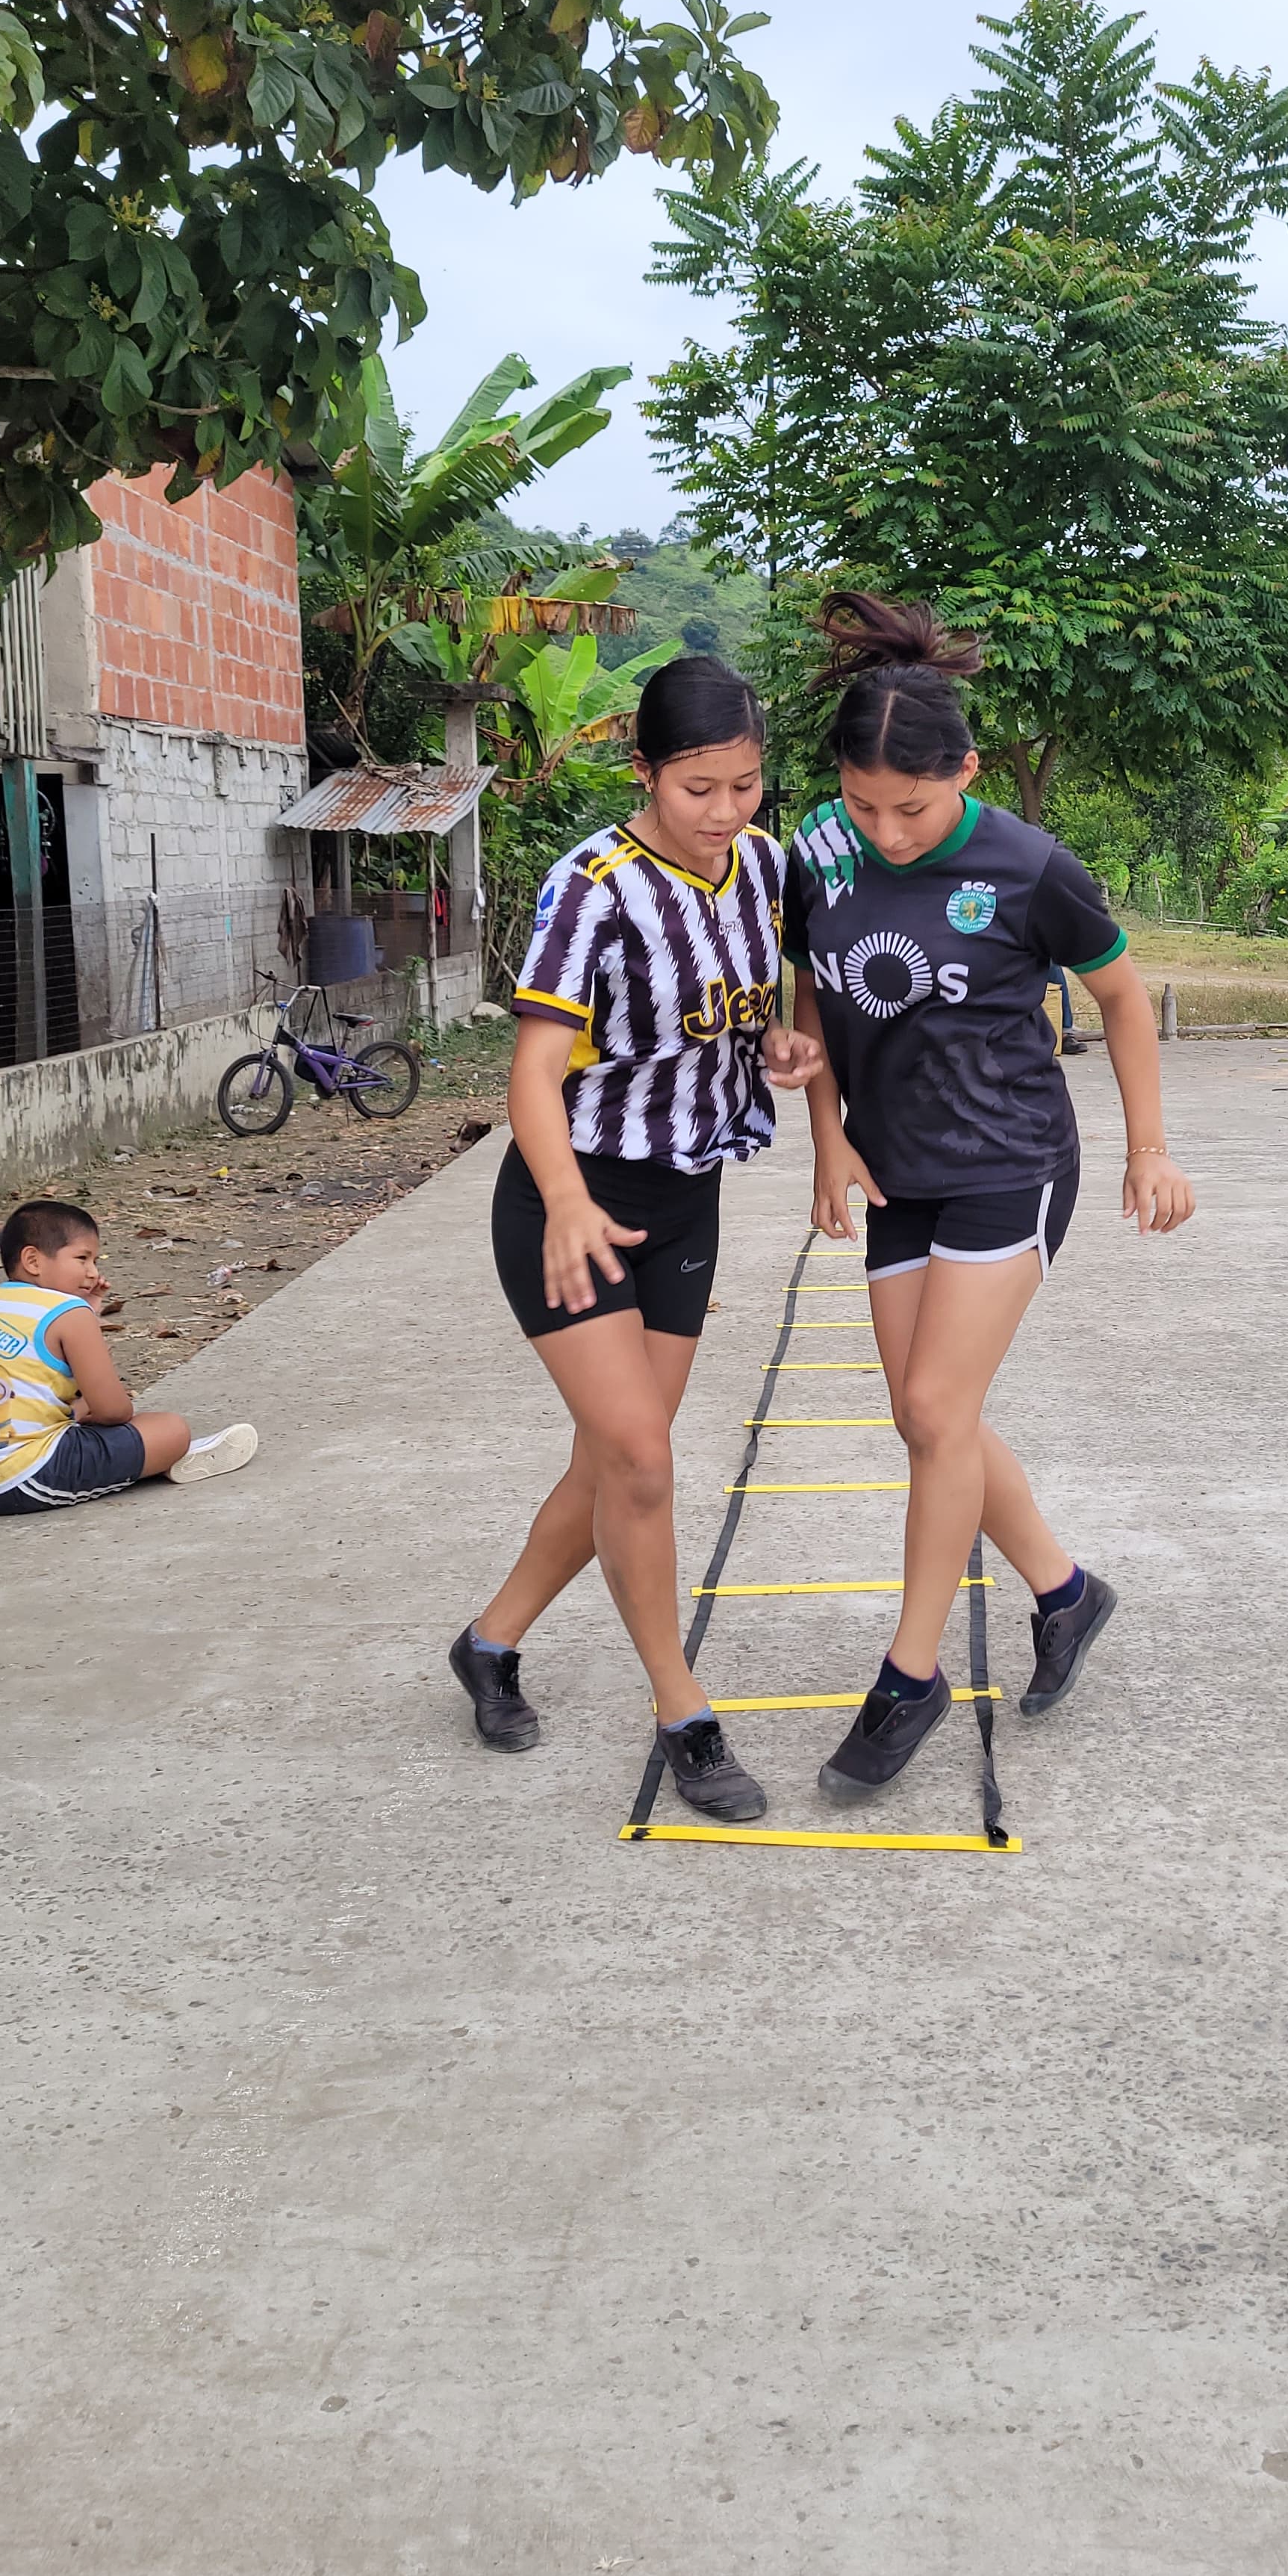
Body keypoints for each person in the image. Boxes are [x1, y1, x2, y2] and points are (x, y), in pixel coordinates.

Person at [783, 594, 1195, 1801]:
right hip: (892, 1166)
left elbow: (1122, 998)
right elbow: (810, 993)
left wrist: (1148, 1149)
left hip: (1010, 1161)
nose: (886, 831)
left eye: (910, 809)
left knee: (933, 1405)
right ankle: (1066, 1594)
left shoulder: (1029, 867)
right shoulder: (820, 850)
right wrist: (825, 1139)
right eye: (863, 805)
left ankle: (911, 1675)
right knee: (931, 1423)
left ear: (963, 772)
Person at [453, 656, 824, 1820]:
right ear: (646, 773)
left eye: (745, 786)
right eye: (698, 789)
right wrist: (566, 1200)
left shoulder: (766, 868)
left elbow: (775, 999)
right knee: (645, 1464)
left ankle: (489, 1642)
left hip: (685, 1200)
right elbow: (531, 1076)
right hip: (569, 1202)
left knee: (615, 1463)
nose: (724, 813)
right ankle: (683, 1711)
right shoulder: (593, 888)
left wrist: (785, 1045)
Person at [0, 1199, 258, 1513]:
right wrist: (86, 1323)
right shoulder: (70, 1313)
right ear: (33, 1260)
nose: (93, 1273)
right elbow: (114, 1411)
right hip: (22, 1479)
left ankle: (144, 1461)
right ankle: (162, 1462)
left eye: (95, 1261)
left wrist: (90, 1318)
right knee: (171, 1430)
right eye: (82, 1258)